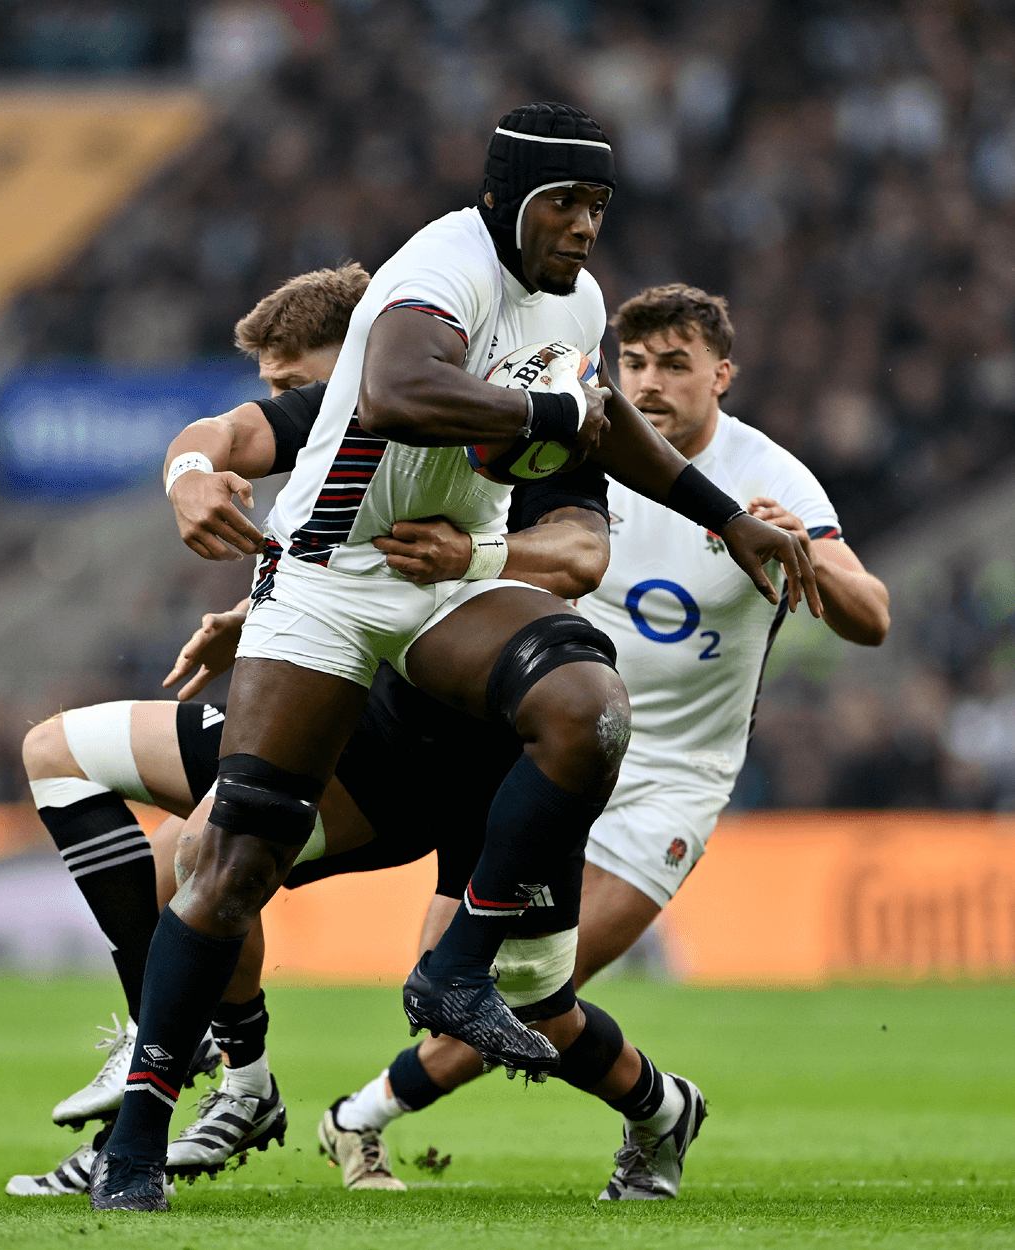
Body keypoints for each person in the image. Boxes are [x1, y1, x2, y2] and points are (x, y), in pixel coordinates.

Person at [90, 102, 820, 1212]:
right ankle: (135, 1143)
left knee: (586, 705)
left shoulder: (569, 302)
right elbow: (398, 390)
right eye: (564, 203)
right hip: (331, 579)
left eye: (597, 207)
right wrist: (548, 408)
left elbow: (605, 426)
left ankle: (453, 967)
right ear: (506, 197)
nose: (583, 227)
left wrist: (729, 520)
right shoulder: (438, 264)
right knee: (229, 862)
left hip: (445, 586)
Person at [12, 267, 616, 1193]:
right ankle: (200, 1061)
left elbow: (575, 554)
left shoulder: (518, 414)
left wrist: (477, 554)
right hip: (314, 701)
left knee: (533, 990)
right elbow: (235, 446)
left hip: (408, 744)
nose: (294, 405)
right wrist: (198, 498)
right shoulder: (335, 430)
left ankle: (197, 1069)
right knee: (65, 760)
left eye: (301, 383)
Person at [317, 283, 890, 1200]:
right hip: (551, 748)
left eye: (674, 365)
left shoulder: (768, 481)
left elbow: (873, 618)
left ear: (721, 376)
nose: (649, 384)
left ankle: (360, 1117)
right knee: (448, 975)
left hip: (669, 776)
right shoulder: (577, 445)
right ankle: (661, 1111)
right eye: (633, 363)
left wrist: (808, 556)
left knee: (522, 988)